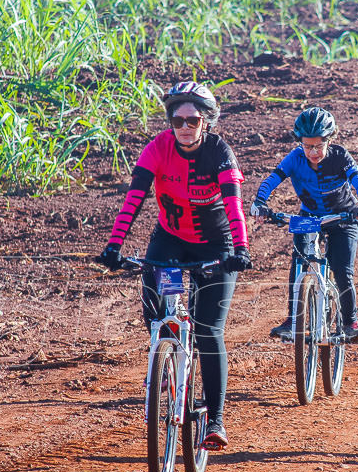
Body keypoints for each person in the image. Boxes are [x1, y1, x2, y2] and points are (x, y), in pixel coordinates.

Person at [97, 81, 250, 449]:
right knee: (156, 315)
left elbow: (234, 206)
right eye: (177, 120)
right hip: (170, 240)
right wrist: (114, 246)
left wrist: (240, 249)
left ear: (206, 122)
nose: (184, 127)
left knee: (209, 331)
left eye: (193, 120)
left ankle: (214, 421)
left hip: (216, 247)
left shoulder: (220, 153)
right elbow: (134, 199)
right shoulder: (157, 148)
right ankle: (165, 360)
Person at [250, 107, 358, 342]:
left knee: (341, 270)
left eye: (318, 145)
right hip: (308, 217)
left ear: (330, 139)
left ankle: (351, 322)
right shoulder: (295, 158)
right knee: (298, 266)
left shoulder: (339, 156)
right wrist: (259, 202)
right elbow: (273, 178)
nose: (313, 152)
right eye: (307, 146)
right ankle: (293, 319)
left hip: (342, 218)